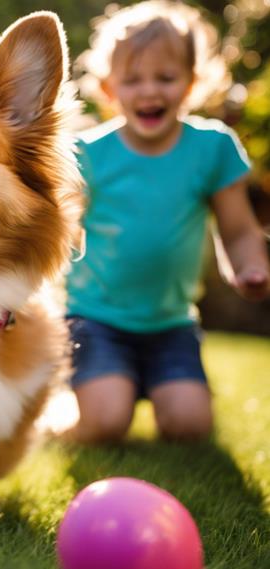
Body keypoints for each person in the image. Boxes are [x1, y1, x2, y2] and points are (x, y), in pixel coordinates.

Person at [66, 0, 270, 443]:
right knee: (105, 422)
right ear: (108, 88)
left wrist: (249, 266)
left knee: (190, 427)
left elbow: (238, 230)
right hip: (95, 318)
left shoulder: (212, 148)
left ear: (193, 83)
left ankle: (153, 388)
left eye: (166, 77)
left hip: (171, 323)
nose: (149, 92)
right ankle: (67, 415)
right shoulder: (88, 153)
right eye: (133, 79)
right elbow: (62, 231)